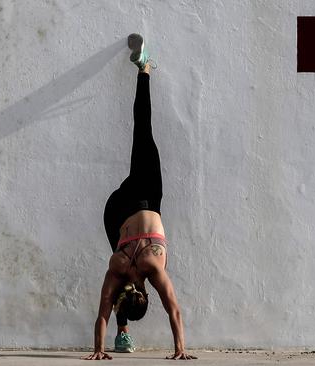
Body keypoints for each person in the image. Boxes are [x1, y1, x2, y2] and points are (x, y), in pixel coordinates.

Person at [83, 34, 196, 361]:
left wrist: (181, 349)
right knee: (116, 258)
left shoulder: (150, 266)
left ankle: (144, 69)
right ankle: (122, 335)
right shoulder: (120, 268)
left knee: (142, 128)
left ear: (144, 295)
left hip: (145, 195)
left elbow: (174, 310)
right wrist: (97, 350)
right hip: (116, 209)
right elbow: (103, 309)